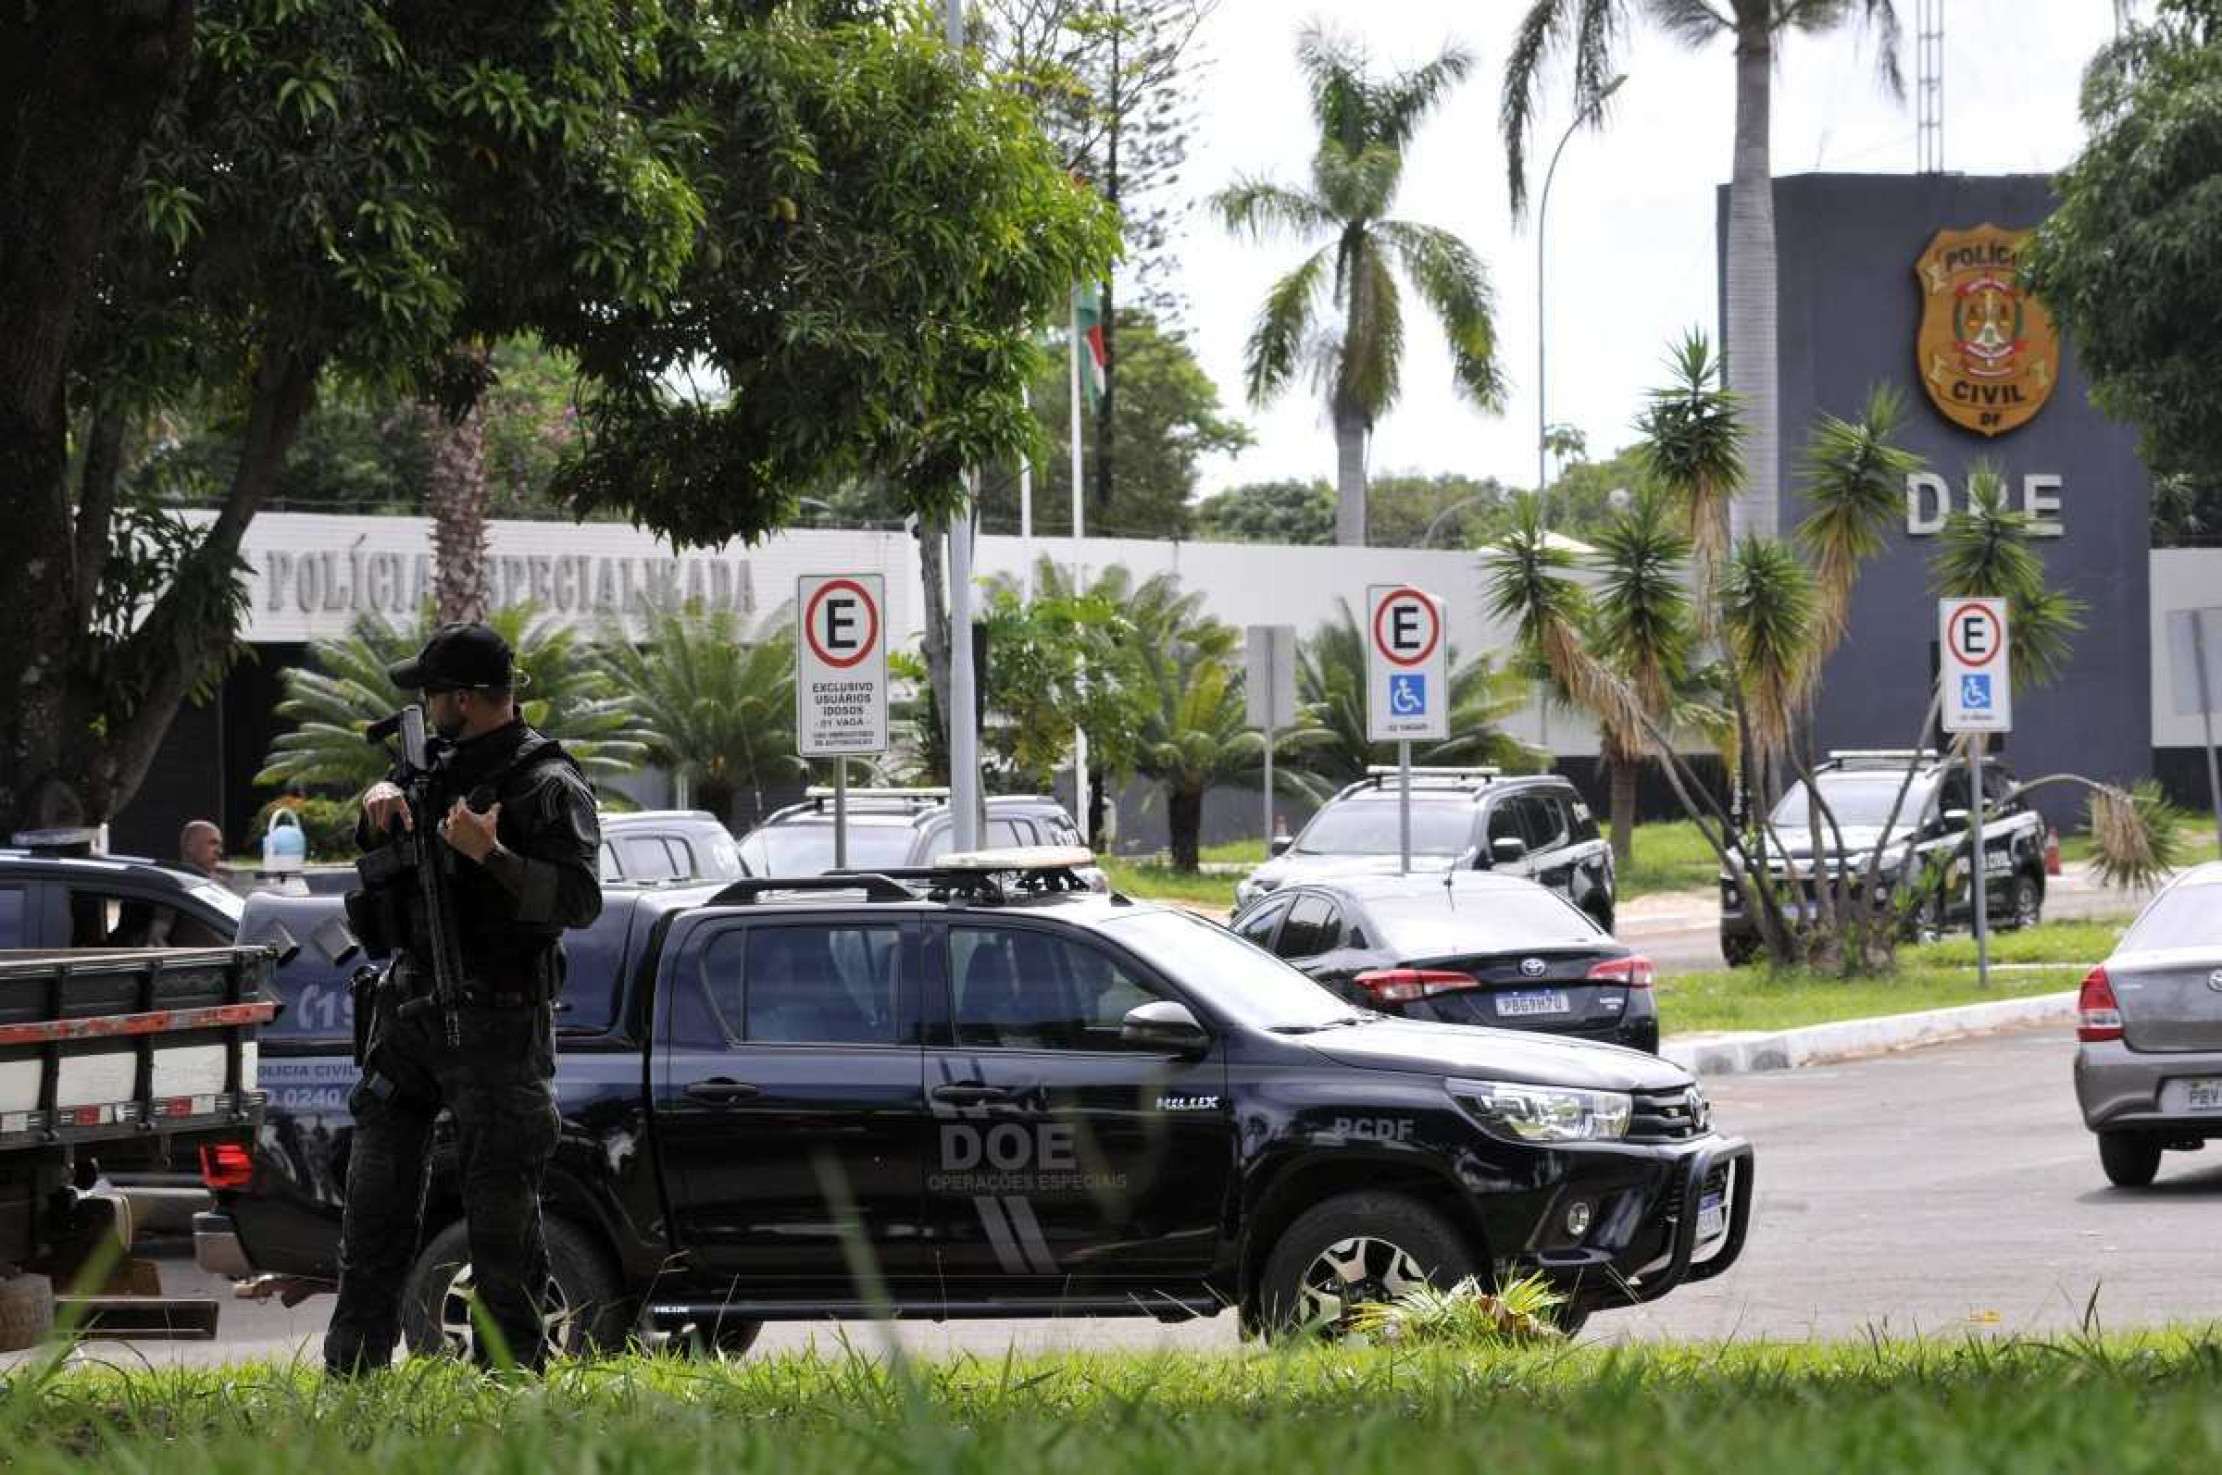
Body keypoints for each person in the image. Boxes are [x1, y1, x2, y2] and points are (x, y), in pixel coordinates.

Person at [323, 622, 602, 1375]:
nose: (424, 706)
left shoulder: (545, 781)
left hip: (498, 1024)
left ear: (470, 701)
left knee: (501, 1224)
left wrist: (494, 854)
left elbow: (579, 899)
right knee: (374, 1206)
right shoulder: (428, 766)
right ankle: (352, 1378)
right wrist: (379, 799)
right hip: (410, 1017)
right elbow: (388, 857)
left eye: (434, 694)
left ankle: (512, 1382)